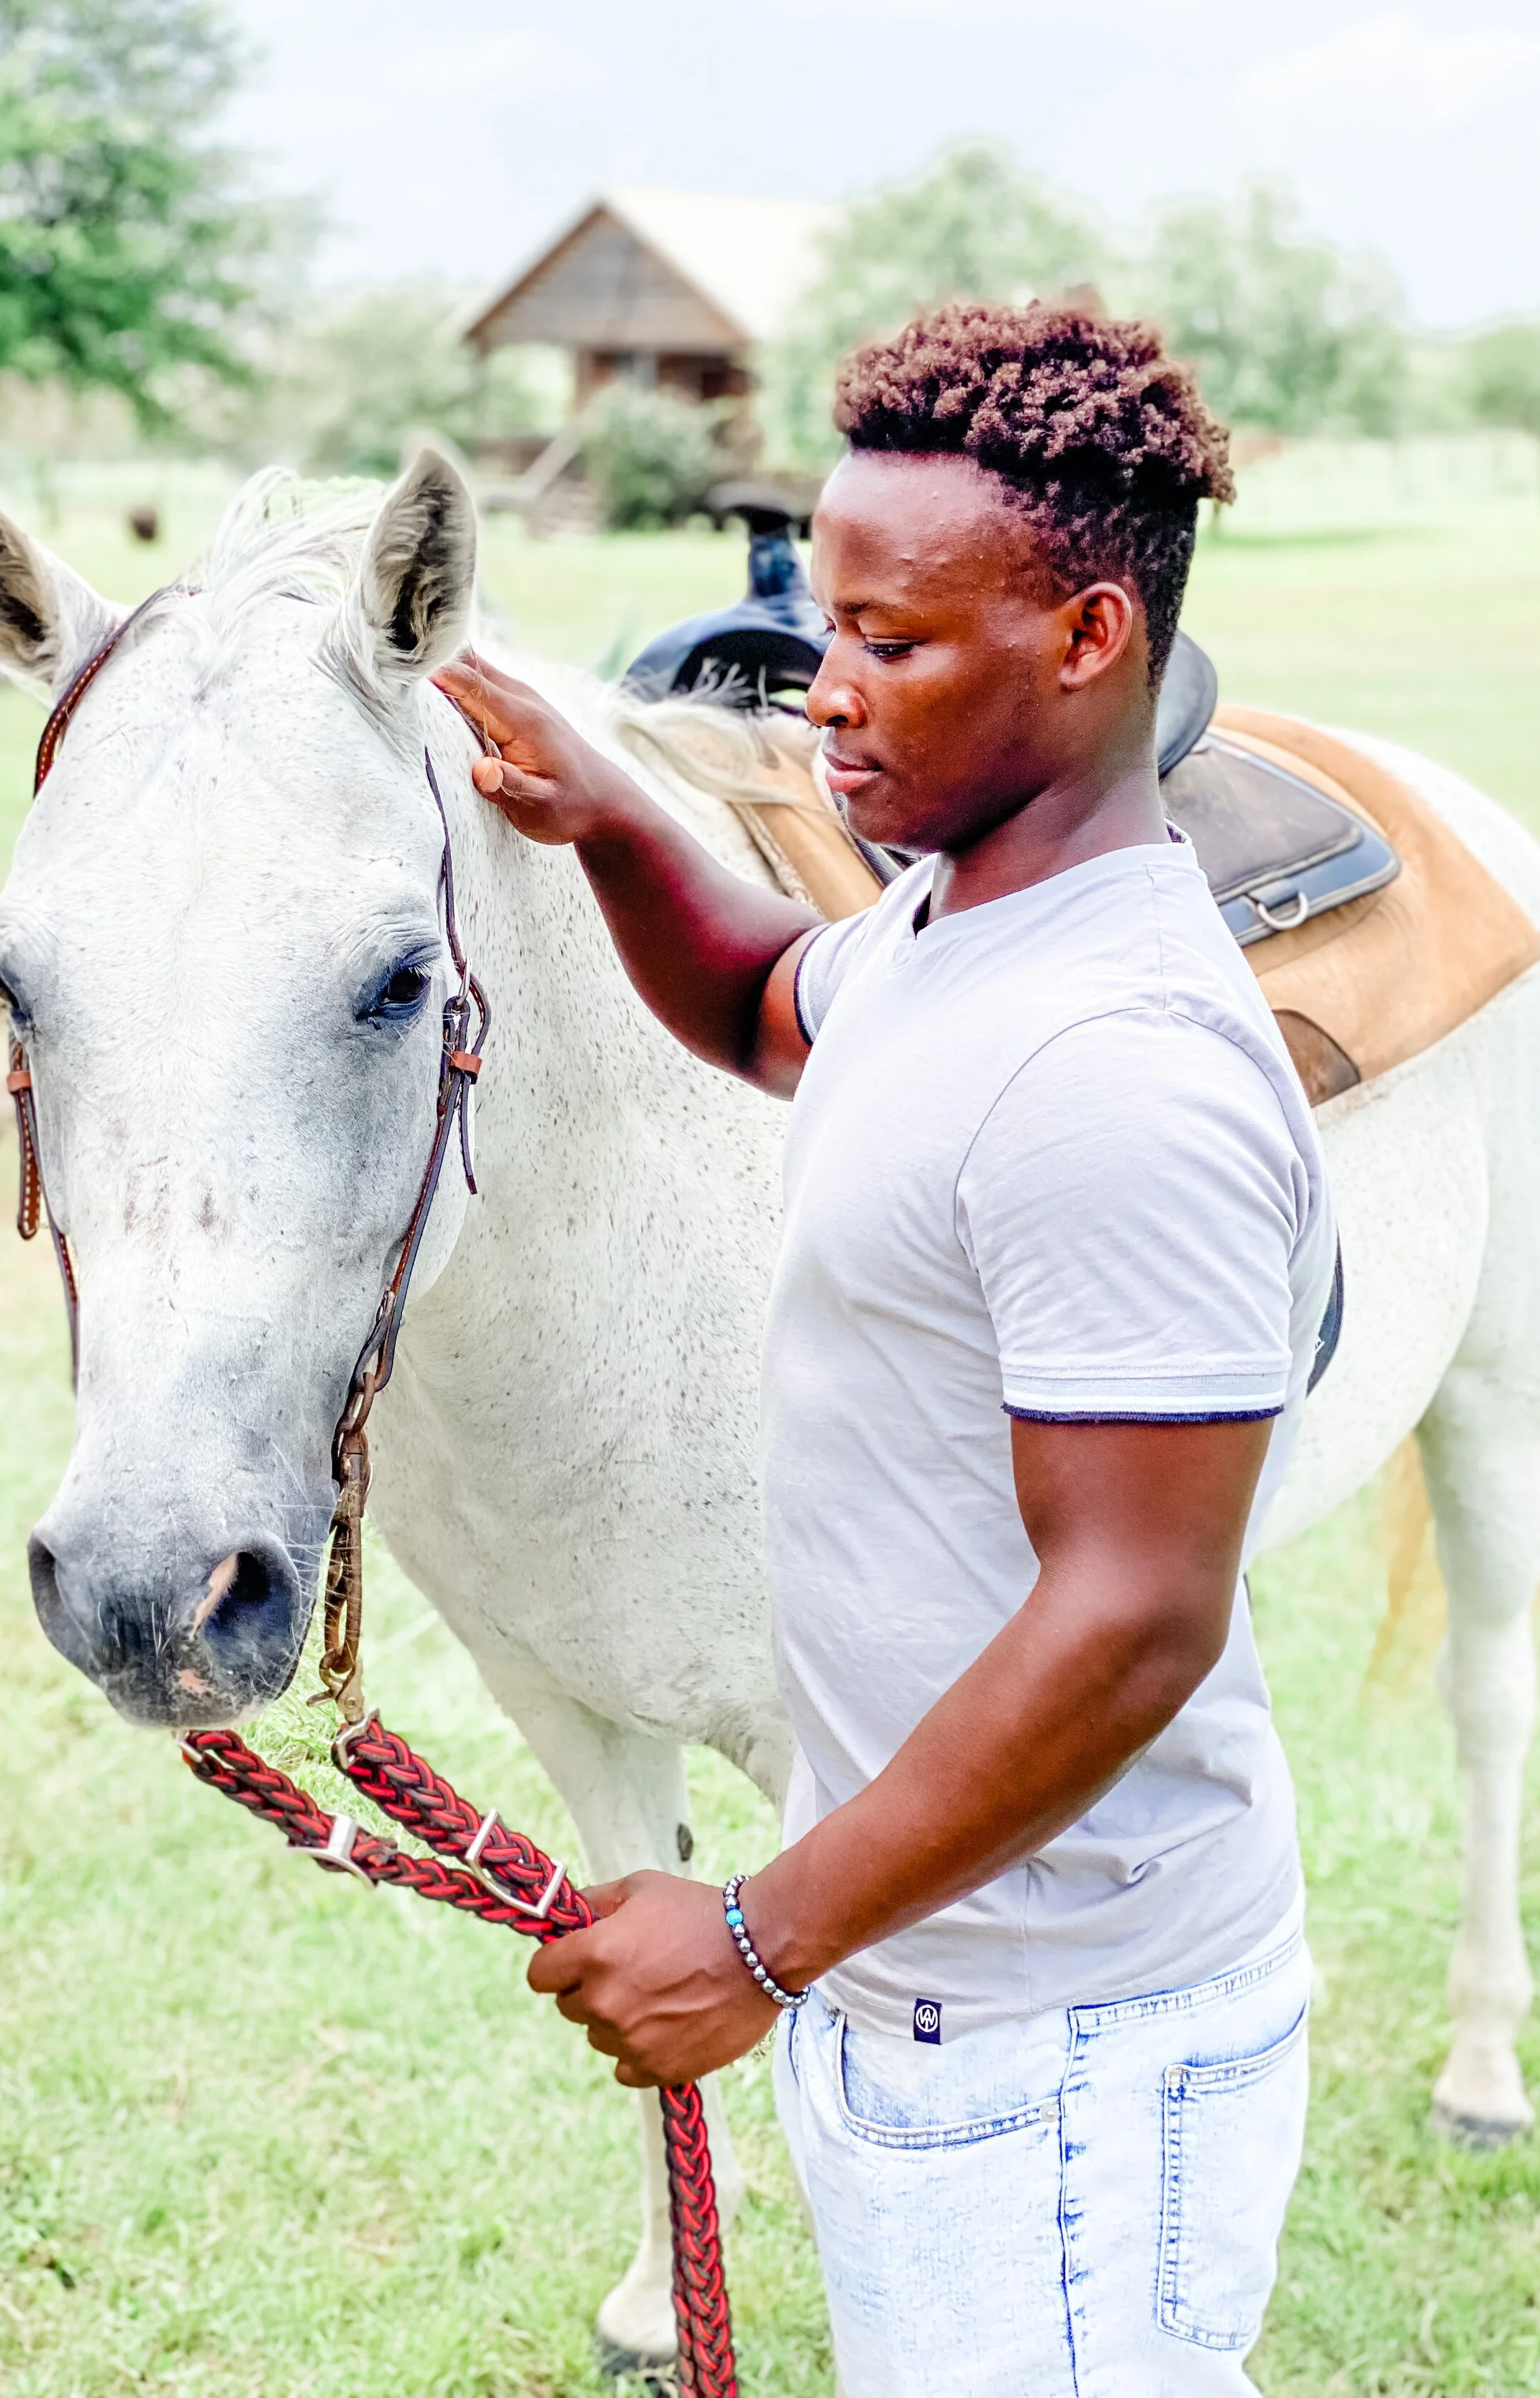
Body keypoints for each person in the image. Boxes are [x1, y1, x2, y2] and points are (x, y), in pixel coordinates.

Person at [433, 300, 1331, 2397]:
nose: (825, 691)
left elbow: (1132, 1614)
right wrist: (616, 817)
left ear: (1089, 636)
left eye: (894, 642)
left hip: (1062, 2052)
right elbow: (766, 1002)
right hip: (936, 1982)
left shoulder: (1113, 1071)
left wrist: (757, 1936)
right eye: (825, 621)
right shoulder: (954, 921)